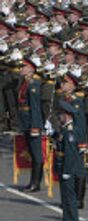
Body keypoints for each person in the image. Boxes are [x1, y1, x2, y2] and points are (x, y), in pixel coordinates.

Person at [54, 100, 84, 221]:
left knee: (69, 197)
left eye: (60, 115)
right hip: (63, 166)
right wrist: (52, 133)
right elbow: (60, 140)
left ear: (66, 115)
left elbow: (70, 154)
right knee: (65, 197)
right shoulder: (65, 129)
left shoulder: (70, 131)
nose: (58, 117)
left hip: (68, 169)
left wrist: (66, 171)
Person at [18, 59, 44, 193]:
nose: (20, 69)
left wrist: (35, 126)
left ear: (31, 69)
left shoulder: (33, 85)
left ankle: (36, 183)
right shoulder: (25, 82)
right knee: (32, 153)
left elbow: (35, 107)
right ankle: (33, 181)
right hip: (25, 121)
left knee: (36, 154)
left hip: (32, 122)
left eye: (23, 66)